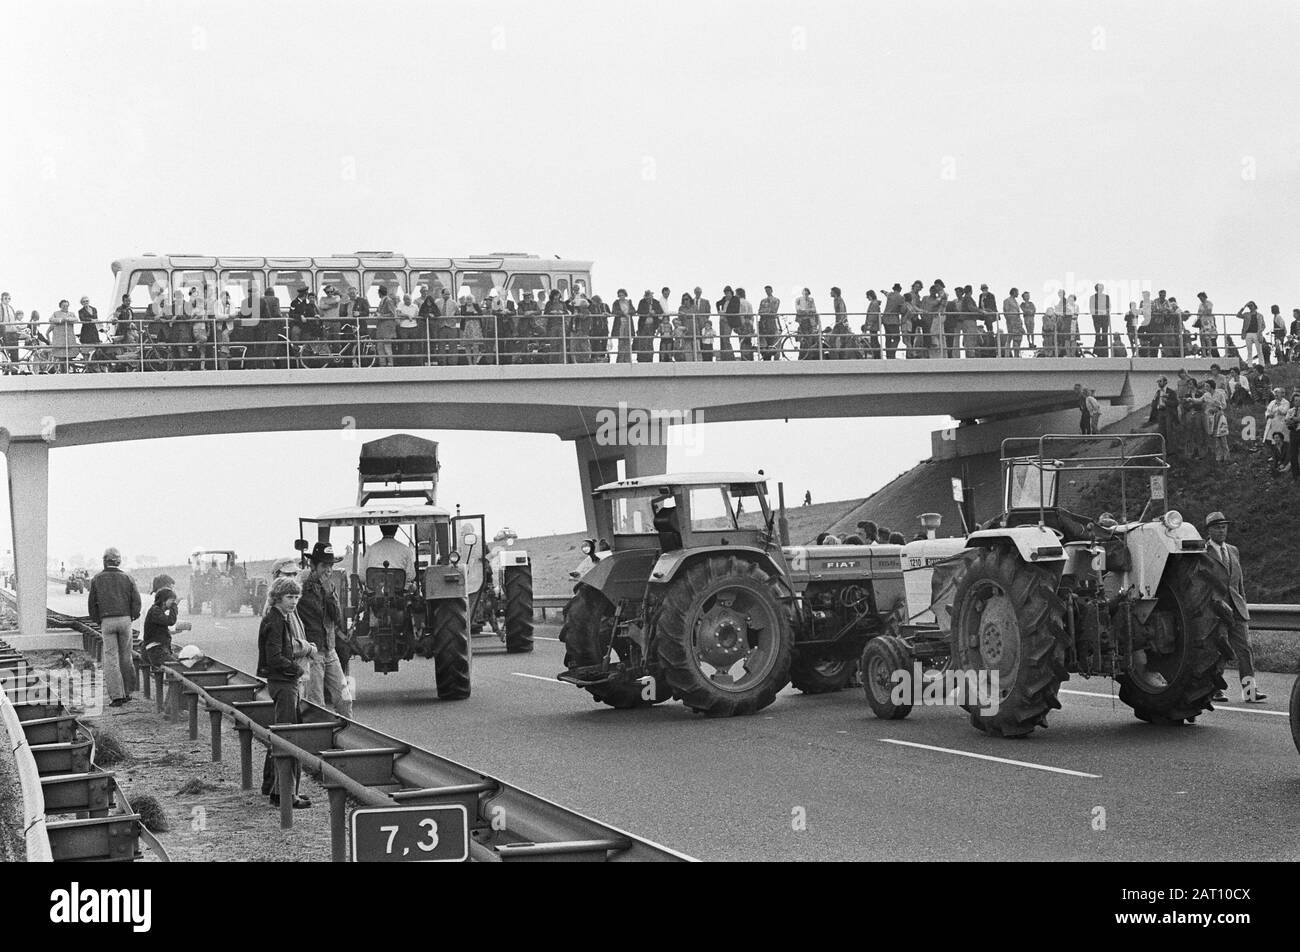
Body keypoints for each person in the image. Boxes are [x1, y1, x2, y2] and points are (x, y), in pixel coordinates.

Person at [257, 576, 313, 808]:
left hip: (282, 681)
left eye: (296, 597)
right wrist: (297, 669)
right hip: (284, 682)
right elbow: (275, 657)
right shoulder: (277, 621)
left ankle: (277, 790)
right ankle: (285, 795)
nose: (294, 602)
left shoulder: (279, 617)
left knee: (283, 735)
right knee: (288, 739)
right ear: (278, 597)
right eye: (289, 597)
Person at [1203, 513, 1267, 704]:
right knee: (1220, 649)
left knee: (1245, 649)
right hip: (1216, 609)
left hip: (1236, 607)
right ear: (1209, 530)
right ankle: (1215, 690)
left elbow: (1239, 584)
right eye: (1217, 527)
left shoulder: (1233, 550)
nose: (1221, 530)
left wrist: (1243, 605)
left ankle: (1249, 691)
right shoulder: (1203, 552)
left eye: (1224, 527)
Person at [298, 542, 353, 719]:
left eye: (330, 566)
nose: (328, 570)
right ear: (313, 566)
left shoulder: (330, 587)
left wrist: (330, 594)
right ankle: (317, 742)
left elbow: (337, 617)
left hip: (330, 650)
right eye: (324, 565)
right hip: (313, 653)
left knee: (345, 698)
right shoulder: (302, 589)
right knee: (316, 704)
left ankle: (348, 735)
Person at [87, 547, 141, 707]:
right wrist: (132, 616)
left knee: (111, 658)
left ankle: (117, 696)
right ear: (119, 561)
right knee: (126, 656)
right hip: (125, 620)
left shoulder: (97, 579)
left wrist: (99, 620)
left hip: (107, 620)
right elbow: (136, 601)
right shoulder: (128, 578)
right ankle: (128, 691)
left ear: (104, 560)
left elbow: (92, 604)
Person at [142, 587, 191, 670]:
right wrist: (174, 607)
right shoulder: (155, 611)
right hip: (156, 651)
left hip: (158, 650)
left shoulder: (156, 611)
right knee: (179, 668)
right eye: (172, 600)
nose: (173, 602)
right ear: (163, 600)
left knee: (181, 662)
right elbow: (170, 621)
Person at [48, 300, 78, 371]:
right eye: (63, 306)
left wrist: (68, 319)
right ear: (60, 306)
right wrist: (61, 320)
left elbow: (76, 319)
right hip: (60, 339)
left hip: (69, 338)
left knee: (69, 356)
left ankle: (68, 370)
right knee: (60, 356)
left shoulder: (71, 314)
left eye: (67, 306)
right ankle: (61, 371)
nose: (65, 307)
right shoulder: (56, 313)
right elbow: (51, 319)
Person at [372, 286, 397, 367]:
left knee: (387, 347)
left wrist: (381, 316)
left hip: (387, 328)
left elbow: (392, 314)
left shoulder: (388, 301)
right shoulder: (383, 301)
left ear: (380, 293)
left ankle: (390, 364)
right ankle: (382, 364)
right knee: (380, 347)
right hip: (381, 328)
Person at [635, 289, 662, 363]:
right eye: (647, 297)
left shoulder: (656, 302)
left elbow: (660, 311)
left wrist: (654, 312)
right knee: (642, 342)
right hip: (643, 325)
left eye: (649, 297)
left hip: (652, 326)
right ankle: (641, 359)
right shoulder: (642, 302)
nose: (648, 299)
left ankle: (649, 359)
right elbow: (639, 311)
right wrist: (648, 313)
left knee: (650, 342)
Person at [610, 289, 635, 363]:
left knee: (628, 341)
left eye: (622, 295)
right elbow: (614, 311)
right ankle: (620, 360)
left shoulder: (629, 302)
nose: (621, 297)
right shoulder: (616, 303)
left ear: (625, 295)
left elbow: (633, 310)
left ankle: (627, 359)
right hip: (620, 323)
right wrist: (623, 314)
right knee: (621, 342)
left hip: (628, 323)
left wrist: (628, 313)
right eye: (620, 295)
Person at [757, 286, 782, 360]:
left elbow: (773, 311)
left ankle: (773, 357)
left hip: (771, 323)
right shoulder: (763, 301)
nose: (767, 291)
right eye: (766, 290)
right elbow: (760, 311)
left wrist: (765, 311)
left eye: (768, 290)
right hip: (763, 323)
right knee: (764, 343)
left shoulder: (776, 300)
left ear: (771, 290)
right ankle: (766, 358)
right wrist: (767, 311)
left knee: (772, 341)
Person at [396, 292, 420, 366]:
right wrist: (407, 316)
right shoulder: (400, 305)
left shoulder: (415, 306)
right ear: (403, 300)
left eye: (409, 299)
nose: (407, 301)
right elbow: (398, 314)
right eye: (406, 299)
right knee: (404, 346)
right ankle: (404, 364)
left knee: (414, 346)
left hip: (414, 327)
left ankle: (414, 363)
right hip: (404, 327)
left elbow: (418, 315)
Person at [1089, 283, 1110, 356]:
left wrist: (1104, 311)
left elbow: (1109, 308)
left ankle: (1105, 352)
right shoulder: (1092, 297)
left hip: (1104, 318)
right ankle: (1097, 352)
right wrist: (1100, 311)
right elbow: (1091, 309)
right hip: (1097, 318)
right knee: (1098, 334)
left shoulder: (1106, 297)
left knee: (1105, 334)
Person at [1238, 301, 1262, 366]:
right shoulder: (1246, 314)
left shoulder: (1259, 315)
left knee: (1259, 350)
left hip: (1257, 334)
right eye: (1249, 306)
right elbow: (1238, 315)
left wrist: (1259, 331)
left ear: (1254, 306)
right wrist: (1244, 307)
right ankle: (1250, 365)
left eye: (1251, 306)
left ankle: (1261, 364)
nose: (1250, 307)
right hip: (1248, 333)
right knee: (1249, 351)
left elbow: (1263, 325)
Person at [861, 290, 882, 359]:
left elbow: (872, 315)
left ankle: (877, 355)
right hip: (874, 325)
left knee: (874, 341)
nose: (867, 298)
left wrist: (869, 325)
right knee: (874, 340)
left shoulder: (874, 304)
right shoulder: (875, 303)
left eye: (868, 296)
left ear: (870, 296)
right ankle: (877, 355)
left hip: (873, 326)